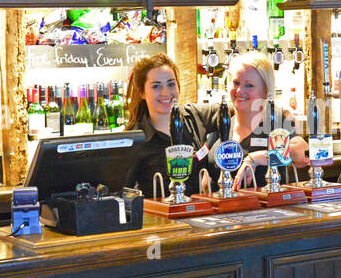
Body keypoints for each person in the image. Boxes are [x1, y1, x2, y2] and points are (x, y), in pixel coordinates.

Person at [189, 51, 309, 189]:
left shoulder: (275, 122)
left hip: (265, 208)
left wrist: (256, 158)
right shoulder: (223, 122)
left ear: (265, 91)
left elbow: (302, 154)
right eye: (236, 83)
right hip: (223, 207)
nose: (239, 90)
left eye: (249, 85)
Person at [122, 54, 209, 198]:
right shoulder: (134, 139)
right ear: (142, 92)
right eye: (156, 86)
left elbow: (239, 107)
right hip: (160, 218)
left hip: (202, 216)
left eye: (171, 84)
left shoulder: (194, 116)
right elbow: (124, 193)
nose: (166, 92)